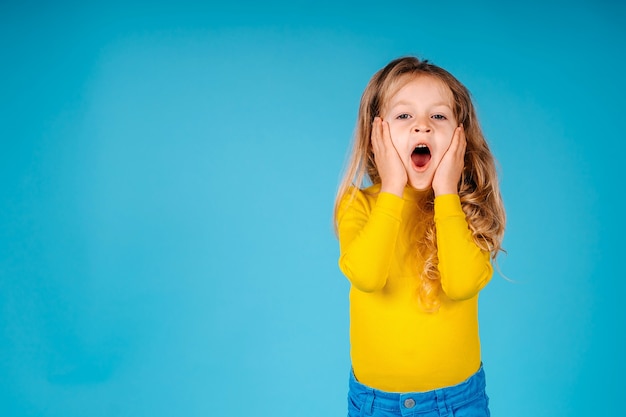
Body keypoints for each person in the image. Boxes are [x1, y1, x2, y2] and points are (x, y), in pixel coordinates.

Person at [334, 56, 506, 417]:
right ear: (375, 134)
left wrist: (446, 192)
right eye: (404, 116)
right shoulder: (357, 206)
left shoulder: (465, 209)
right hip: (374, 405)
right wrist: (393, 186)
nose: (422, 128)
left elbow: (461, 285)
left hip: (459, 403)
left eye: (438, 116)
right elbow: (366, 275)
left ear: (461, 138)